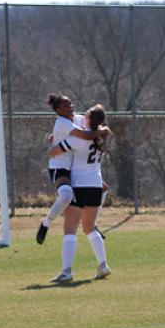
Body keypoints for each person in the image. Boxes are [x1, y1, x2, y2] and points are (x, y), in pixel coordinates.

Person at [47, 104, 111, 282]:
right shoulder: (101, 139)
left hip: (79, 185)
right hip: (96, 185)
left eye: (86, 116)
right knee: (89, 227)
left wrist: (52, 143)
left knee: (70, 229)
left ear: (89, 119)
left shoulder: (79, 139)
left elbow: (54, 152)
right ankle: (103, 265)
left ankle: (66, 271)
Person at [36, 94, 110, 244]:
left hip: (75, 169)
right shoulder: (62, 122)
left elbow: (92, 122)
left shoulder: (77, 118)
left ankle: (92, 223)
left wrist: (102, 127)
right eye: (65, 106)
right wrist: (103, 131)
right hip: (60, 167)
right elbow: (85, 134)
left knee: (102, 188)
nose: (70, 107)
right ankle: (46, 224)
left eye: (70, 104)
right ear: (57, 110)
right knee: (66, 196)